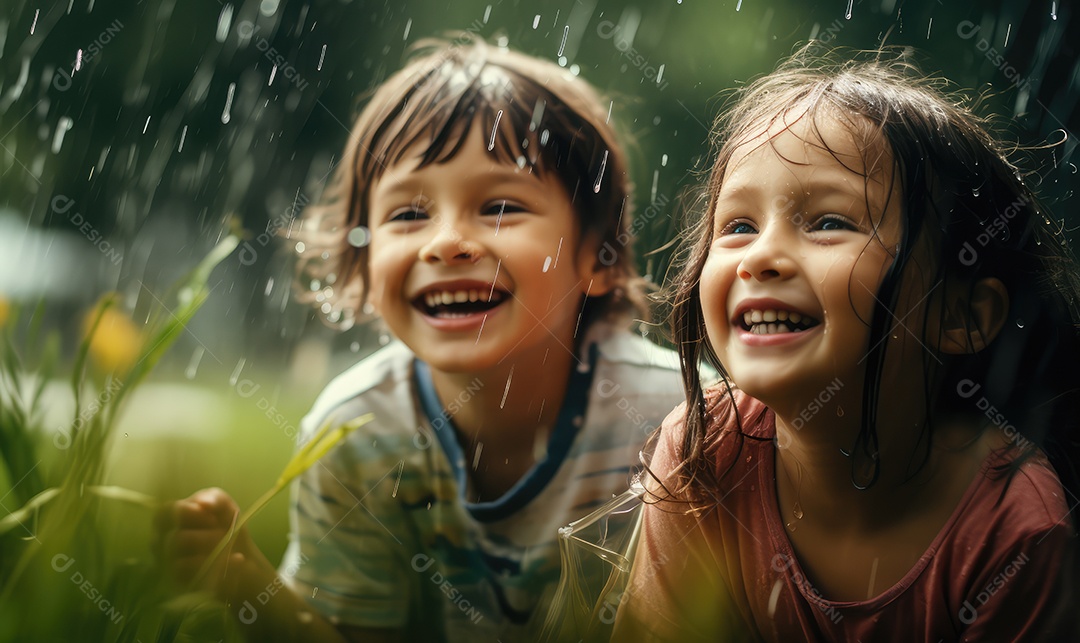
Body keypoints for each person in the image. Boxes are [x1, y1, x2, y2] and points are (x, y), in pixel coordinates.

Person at [156, 35, 685, 642]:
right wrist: (249, 586)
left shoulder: (675, 417)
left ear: (598, 257)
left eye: (501, 207)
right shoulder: (358, 432)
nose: (446, 242)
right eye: (408, 215)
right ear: (363, 259)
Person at [612, 46, 1080, 642]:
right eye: (738, 227)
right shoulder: (704, 453)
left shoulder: (1011, 533)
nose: (760, 257)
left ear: (961, 314)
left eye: (830, 222)